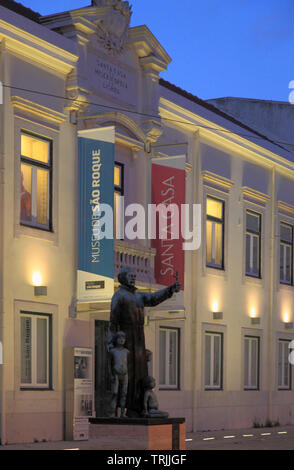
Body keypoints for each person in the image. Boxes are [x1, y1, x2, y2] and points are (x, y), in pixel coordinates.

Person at [109, 266, 180, 417]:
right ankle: (129, 407)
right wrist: (111, 342)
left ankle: (143, 406)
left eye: (134, 275)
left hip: (139, 337)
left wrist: (170, 290)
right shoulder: (119, 296)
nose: (134, 278)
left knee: (141, 371)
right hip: (127, 337)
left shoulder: (139, 296)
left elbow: (153, 298)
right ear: (122, 277)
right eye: (130, 275)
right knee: (130, 373)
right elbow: (113, 322)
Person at [108, 331, 129, 418]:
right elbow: (109, 364)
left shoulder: (127, 351)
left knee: (124, 393)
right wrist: (110, 374)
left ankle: (122, 413)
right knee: (115, 393)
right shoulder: (112, 351)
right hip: (116, 374)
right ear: (116, 339)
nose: (121, 340)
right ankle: (112, 412)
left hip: (125, 374)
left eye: (123, 338)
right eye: (119, 338)